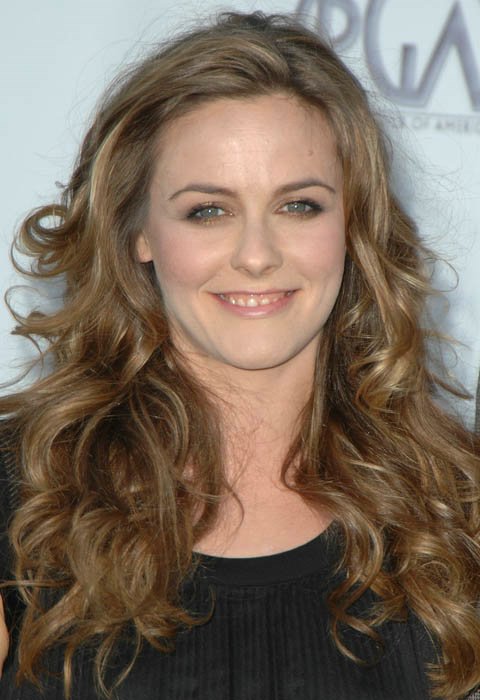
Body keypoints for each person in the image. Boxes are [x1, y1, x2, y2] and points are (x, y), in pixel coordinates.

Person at [0, 10, 479, 700]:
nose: (257, 255)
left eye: (300, 206)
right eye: (208, 210)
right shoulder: (24, 492)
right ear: (138, 232)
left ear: (354, 224)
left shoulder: (456, 507)